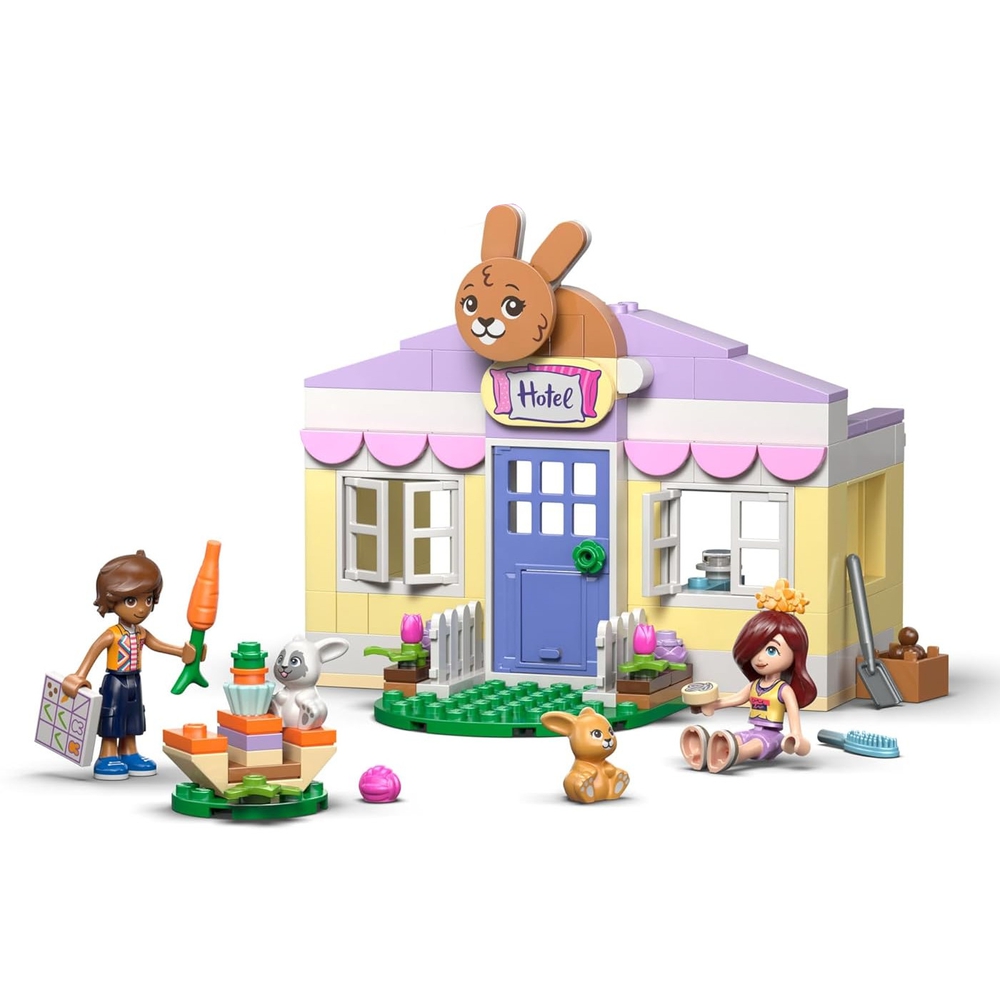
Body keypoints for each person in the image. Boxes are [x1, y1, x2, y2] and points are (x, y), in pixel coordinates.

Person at [62, 551, 201, 780]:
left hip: (135, 680)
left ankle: (129, 752)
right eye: (131, 601)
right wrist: (79, 675)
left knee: (133, 717)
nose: (142, 608)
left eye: (148, 600)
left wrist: (183, 653)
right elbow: (94, 651)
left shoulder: (141, 632)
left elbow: (157, 644)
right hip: (115, 682)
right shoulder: (112, 634)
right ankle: (107, 755)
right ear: (112, 599)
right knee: (112, 716)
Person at [680, 591, 817, 774]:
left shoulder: (783, 690)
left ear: (795, 654)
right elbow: (735, 699)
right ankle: (706, 751)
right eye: (755, 650)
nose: (759, 658)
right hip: (752, 730)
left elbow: (794, 716)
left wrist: (796, 736)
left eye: (771, 650)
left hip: (772, 737)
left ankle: (733, 756)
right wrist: (711, 705)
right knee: (736, 738)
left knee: (753, 745)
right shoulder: (755, 686)